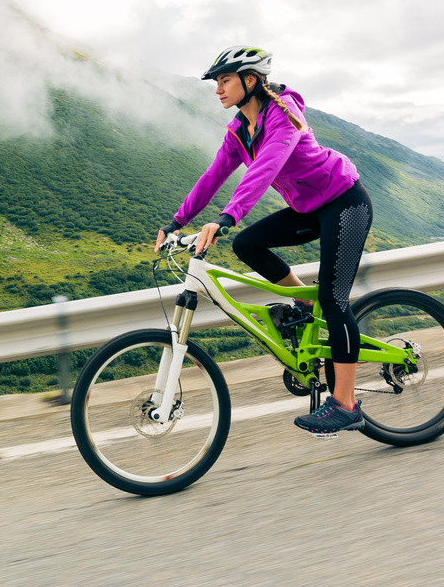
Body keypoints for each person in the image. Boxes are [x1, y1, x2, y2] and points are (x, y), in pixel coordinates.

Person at [154, 46, 373, 436]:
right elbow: (214, 175)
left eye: (224, 81)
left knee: (335, 300)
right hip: (308, 208)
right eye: (217, 82)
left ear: (250, 80)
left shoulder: (284, 116)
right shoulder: (240, 130)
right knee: (248, 244)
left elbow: (266, 167)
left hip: (344, 202)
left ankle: (346, 403)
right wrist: (176, 221)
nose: (217, 89)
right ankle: (305, 301)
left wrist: (225, 218)